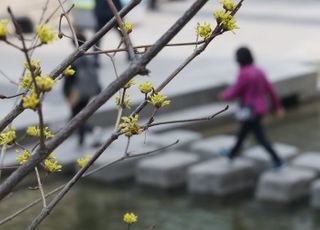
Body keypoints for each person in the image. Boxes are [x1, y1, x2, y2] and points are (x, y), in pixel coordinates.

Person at [219, 47, 284, 168]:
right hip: (260, 109)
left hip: (250, 111)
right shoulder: (259, 71)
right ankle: (231, 154)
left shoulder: (243, 73)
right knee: (243, 133)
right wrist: (277, 107)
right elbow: (271, 90)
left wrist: (224, 95)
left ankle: (278, 160)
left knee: (259, 137)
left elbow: (236, 91)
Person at [63, 33, 102, 147]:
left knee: (75, 117)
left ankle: (93, 130)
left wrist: (66, 92)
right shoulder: (89, 59)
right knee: (81, 115)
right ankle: (81, 140)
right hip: (88, 91)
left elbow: (69, 79)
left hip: (76, 93)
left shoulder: (74, 60)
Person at [93, 0, 123, 66]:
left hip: (115, 14)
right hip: (102, 15)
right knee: (97, 37)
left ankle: (131, 52)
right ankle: (95, 57)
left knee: (124, 34)